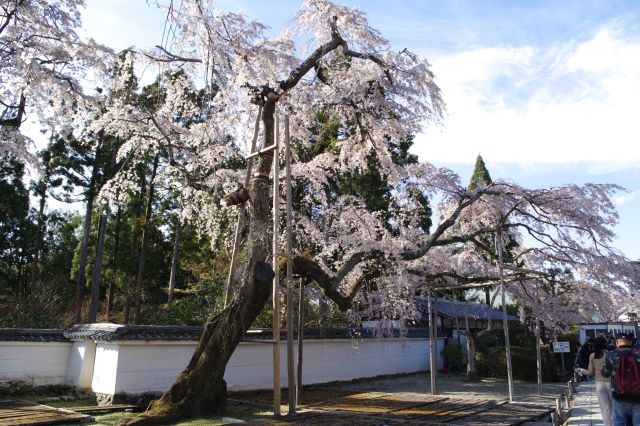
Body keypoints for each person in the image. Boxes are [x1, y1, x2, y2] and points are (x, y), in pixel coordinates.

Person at [601, 333, 640, 425]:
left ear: (617, 343)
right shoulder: (638, 354)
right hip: (638, 396)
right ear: (630, 342)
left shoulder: (611, 354)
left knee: (619, 422)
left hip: (619, 396)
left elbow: (605, 373)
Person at [587, 336, 612, 426]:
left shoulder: (592, 356)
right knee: (612, 408)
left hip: (599, 384)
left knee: (605, 408)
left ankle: (607, 424)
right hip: (610, 383)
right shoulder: (609, 354)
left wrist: (580, 370)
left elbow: (590, 372)